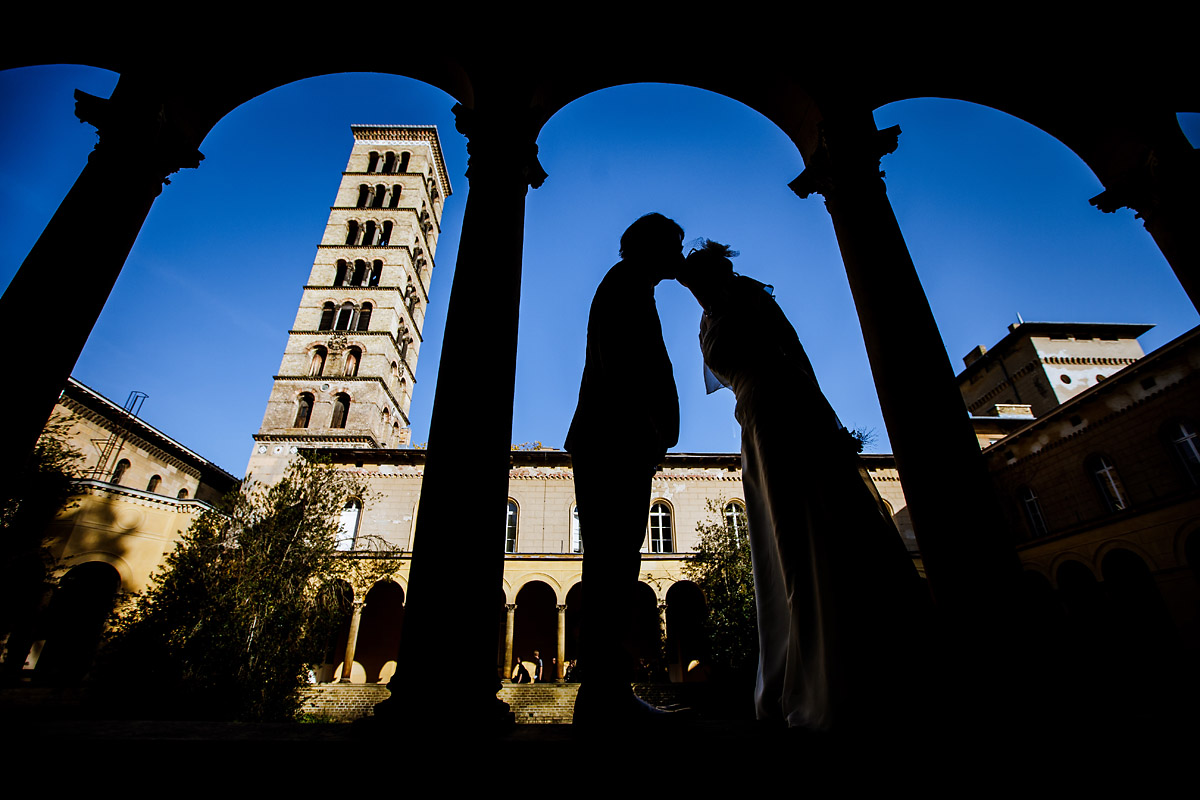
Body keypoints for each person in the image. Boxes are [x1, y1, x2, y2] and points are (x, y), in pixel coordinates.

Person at [677, 240, 931, 734]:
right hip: (752, 420)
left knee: (805, 533)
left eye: (698, 281)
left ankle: (836, 679)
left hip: (784, 409)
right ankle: (795, 674)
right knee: (781, 543)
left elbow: (795, 356)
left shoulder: (748, 298)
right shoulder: (706, 319)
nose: (694, 292)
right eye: (690, 286)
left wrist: (827, 421)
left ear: (714, 274)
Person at [566, 213, 684, 727]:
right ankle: (605, 697)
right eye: (673, 245)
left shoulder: (629, 285)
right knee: (613, 563)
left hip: (614, 438)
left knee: (614, 562)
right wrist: (651, 429)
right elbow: (622, 365)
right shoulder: (625, 286)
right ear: (650, 246)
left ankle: (605, 693)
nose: (679, 256)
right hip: (615, 439)